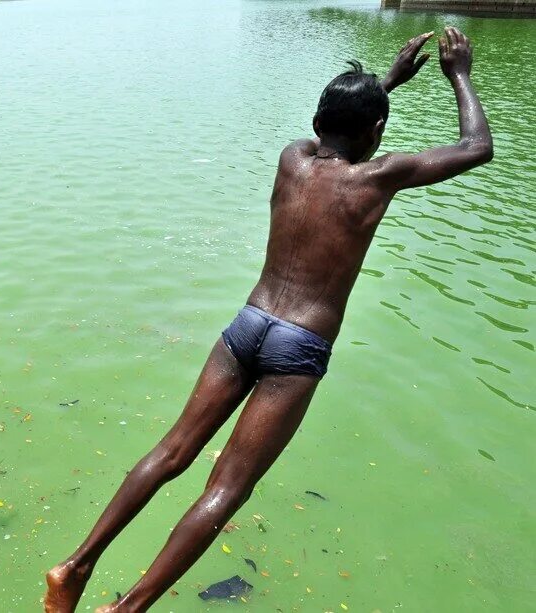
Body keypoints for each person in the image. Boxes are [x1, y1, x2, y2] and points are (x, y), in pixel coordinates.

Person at [45, 27, 492, 612]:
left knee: (172, 450)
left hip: (247, 325)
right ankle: (126, 609)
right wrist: (458, 73)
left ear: (317, 121)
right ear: (377, 131)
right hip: (298, 346)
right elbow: (476, 147)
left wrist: (384, 83)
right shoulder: (378, 176)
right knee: (227, 488)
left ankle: (73, 568)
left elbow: (337, 130)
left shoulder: (294, 160)